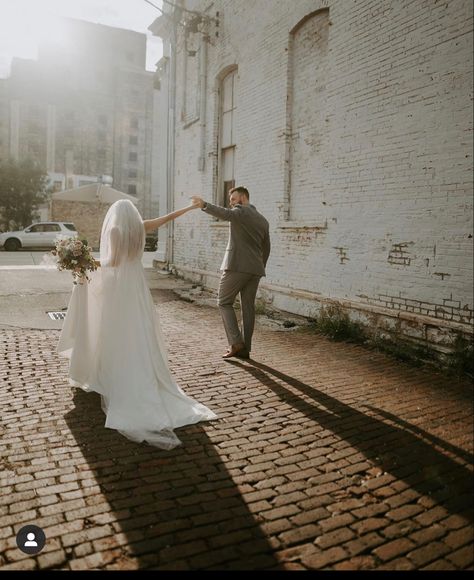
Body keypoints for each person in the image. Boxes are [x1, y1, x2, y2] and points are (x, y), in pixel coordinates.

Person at [57, 199, 217, 450]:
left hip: (119, 289)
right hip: (137, 289)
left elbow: (113, 263)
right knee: (137, 333)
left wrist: (86, 263)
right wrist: (189, 207)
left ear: (114, 216)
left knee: (113, 333)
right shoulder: (140, 227)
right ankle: (143, 373)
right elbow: (166, 218)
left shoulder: (114, 231)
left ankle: (110, 375)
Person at [192, 187, 270, 359]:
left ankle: (236, 343)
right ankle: (245, 349)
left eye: (233, 199)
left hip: (237, 266)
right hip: (256, 269)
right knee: (248, 308)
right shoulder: (263, 220)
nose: (232, 203)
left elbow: (225, 213)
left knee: (223, 301)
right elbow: (267, 248)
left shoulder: (240, 211)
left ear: (243, 197)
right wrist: (258, 266)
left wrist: (204, 204)